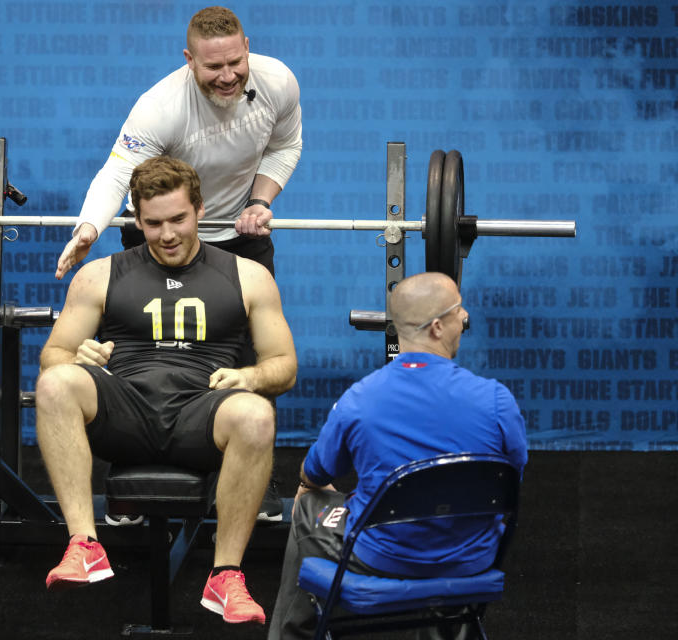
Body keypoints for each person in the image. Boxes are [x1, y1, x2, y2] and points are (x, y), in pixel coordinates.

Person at [34, 156, 297, 625]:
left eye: (178, 219)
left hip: (202, 414)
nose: (167, 234)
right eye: (153, 223)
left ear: (199, 208)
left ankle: (225, 576)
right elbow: (53, 355)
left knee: (256, 414)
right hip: (126, 412)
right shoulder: (99, 275)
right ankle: (84, 545)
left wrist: (248, 378)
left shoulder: (247, 275)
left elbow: (284, 366)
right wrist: (78, 357)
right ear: (136, 219)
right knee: (57, 382)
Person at [267, 272, 528, 640]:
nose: (464, 317)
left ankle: (293, 635)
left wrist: (313, 486)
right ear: (437, 327)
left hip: (382, 558)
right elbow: (512, 479)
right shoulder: (496, 399)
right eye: (459, 311)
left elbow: (315, 472)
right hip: (473, 558)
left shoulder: (359, 399)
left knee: (309, 503)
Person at [54, 5, 302, 281]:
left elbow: (284, 147)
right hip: (162, 236)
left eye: (235, 62)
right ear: (190, 59)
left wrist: (259, 202)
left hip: (238, 232)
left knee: (254, 321)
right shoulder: (160, 107)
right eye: (214, 66)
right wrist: (89, 227)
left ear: (246, 47)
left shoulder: (278, 82)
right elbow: (118, 174)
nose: (228, 76)